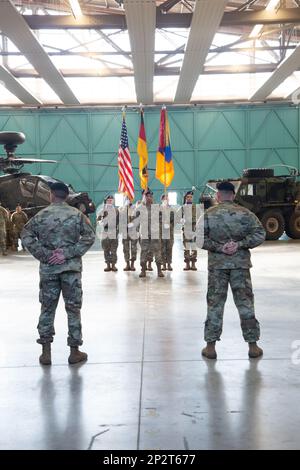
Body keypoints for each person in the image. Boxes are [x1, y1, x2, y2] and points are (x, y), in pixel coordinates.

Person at [21, 182, 95, 366]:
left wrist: (46, 255)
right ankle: (74, 352)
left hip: (49, 270)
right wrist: (67, 253)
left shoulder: (41, 215)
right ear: (66, 196)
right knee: (73, 309)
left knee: (47, 309)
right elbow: (90, 236)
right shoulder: (77, 215)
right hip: (71, 270)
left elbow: (26, 235)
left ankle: (46, 353)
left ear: (51, 195)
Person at [198, 181, 265, 360]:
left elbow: (198, 239)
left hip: (217, 267)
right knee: (245, 304)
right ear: (233, 195)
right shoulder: (246, 213)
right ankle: (253, 346)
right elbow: (260, 233)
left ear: (218, 196)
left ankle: (210, 348)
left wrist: (220, 248)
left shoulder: (208, 214)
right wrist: (240, 244)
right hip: (240, 266)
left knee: (215, 304)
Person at [137, 189, 164, 278]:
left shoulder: (157, 207)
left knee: (157, 251)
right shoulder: (140, 207)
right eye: (147, 196)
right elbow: (134, 215)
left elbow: (163, 217)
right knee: (144, 251)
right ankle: (143, 270)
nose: (149, 198)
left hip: (155, 233)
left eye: (150, 196)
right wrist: (142, 203)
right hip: (144, 233)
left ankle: (159, 270)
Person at [97, 195, 119, 272]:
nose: (110, 201)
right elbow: (98, 219)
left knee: (113, 249)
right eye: (108, 200)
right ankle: (108, 265)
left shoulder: (116, 210)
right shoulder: (102, 210)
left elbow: (120, 220)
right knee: (106, 249)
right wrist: (100, 222)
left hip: (113, 231)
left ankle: (113, 265)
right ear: (105, 201)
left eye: (111, 200)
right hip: (105, 231)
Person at [181, 191, 198, 271]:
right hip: (186, 228)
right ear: (185, 198)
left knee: (193, 246)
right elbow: (179, 217)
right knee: (187, 246)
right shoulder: (183, 207)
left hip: (194, 228)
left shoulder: (196, 207)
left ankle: (193, 263)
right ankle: (187, 263)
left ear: (192, 198)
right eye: (188, 197)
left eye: (190, 197)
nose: (189, 198)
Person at [120, 201, 138, 271]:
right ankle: (127, 264)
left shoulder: (135, 208)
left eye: (130, 199)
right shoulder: (121, 208)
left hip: (133, 231)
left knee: (134, 249)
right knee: (125, 249)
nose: (129, 200)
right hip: (125, 231)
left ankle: (132, 264)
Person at [160, 193, 175, 271]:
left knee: (169, 248)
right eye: (165, 199)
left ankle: (169, 264)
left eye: (167, 198)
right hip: (162, 232)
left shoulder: (171, 209)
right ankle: (163, 264)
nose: (166, 200)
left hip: (169, 232)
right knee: (162, 248)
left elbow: (173, 219)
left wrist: (169, 224)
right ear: (162, 200)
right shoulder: (159, 208)